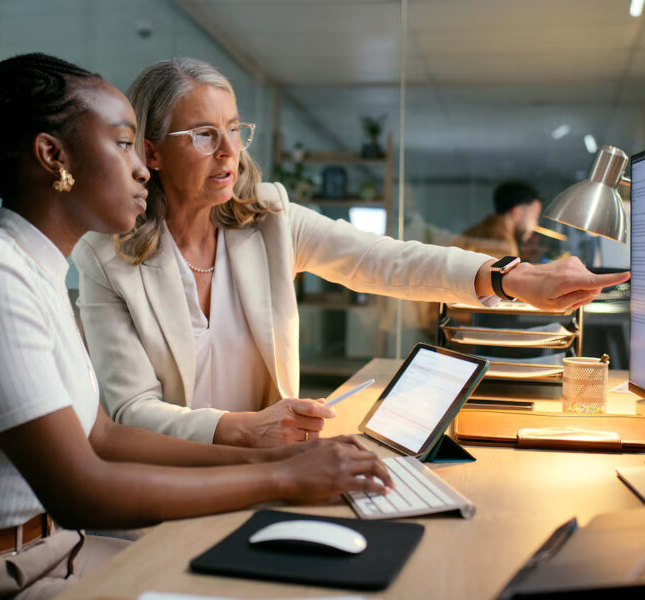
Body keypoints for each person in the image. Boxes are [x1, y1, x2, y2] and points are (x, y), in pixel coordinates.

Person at [0, 53, 392, 598]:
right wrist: (282, 479)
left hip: (53, 551)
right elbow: (80, 491)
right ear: (52, 156)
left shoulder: (36, 270)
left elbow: (102, 436)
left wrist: (275, 455)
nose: (143, 167)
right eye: (124, 143)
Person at [72, 58, 629, 448]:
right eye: (201, 134)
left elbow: (389, 260)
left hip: (269, 469)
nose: (228, 151)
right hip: (173, 483)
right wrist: (246, 428)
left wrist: (513, 278)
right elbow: (131, 412)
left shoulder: (269, 220)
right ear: (152, 152)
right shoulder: (106, 259)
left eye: (235, 129)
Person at [460, 180, 543, 258]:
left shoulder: (478, 230)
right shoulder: (502, 244)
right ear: (517, 212)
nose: (536, 224)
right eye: (534, 216)